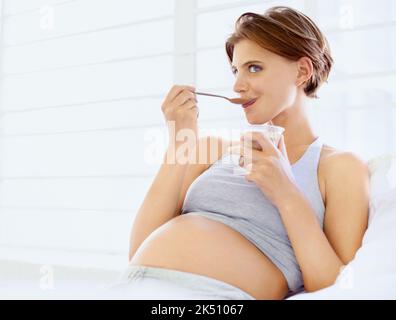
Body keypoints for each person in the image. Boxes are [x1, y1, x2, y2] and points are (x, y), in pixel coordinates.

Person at [113, 6, 370, 300]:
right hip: (134, 288)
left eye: (254, 68)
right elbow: (138, 251)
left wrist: (285, 193)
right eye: (236, 70)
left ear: (302, 71)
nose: (237, 85)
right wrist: (180, 143)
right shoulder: (211, 149)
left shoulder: (340, 168)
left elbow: (334, 288)